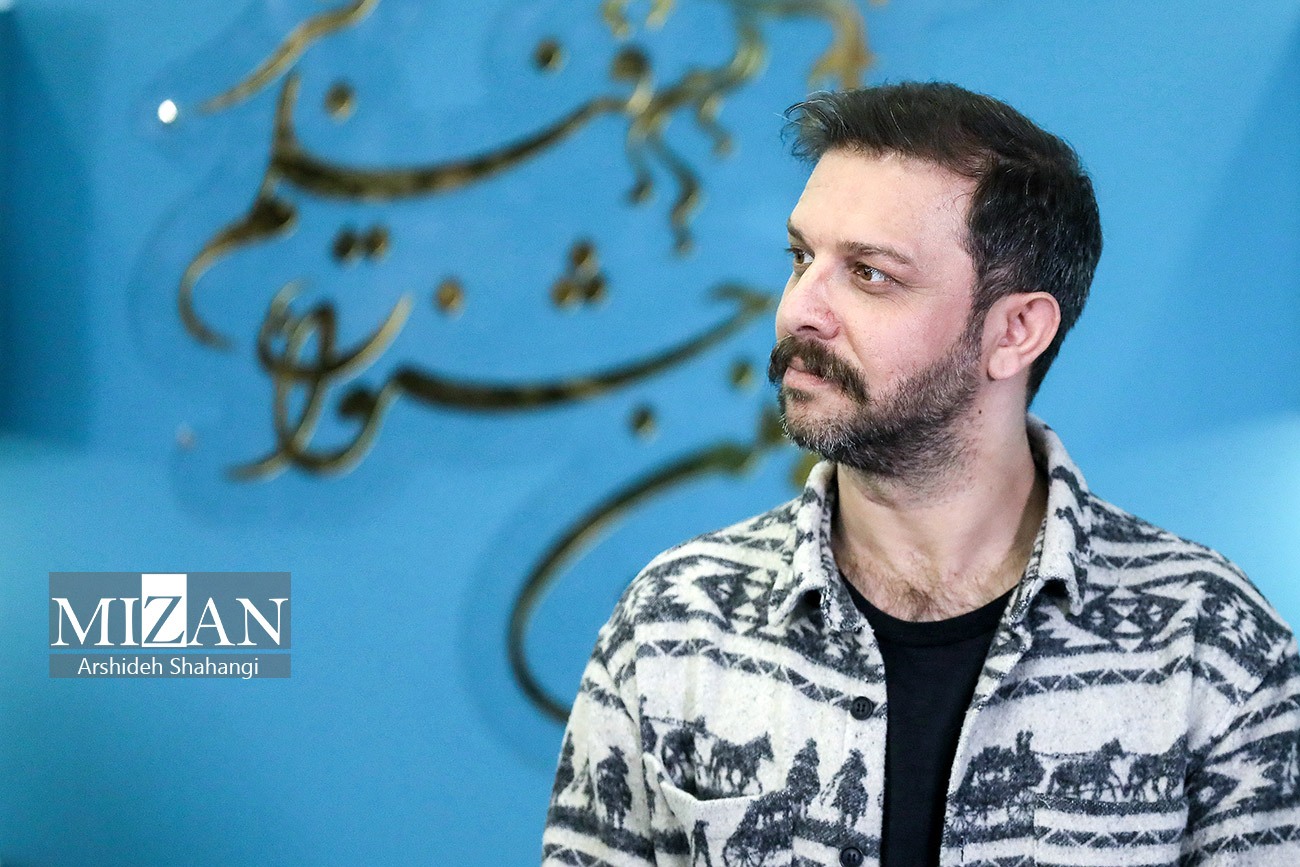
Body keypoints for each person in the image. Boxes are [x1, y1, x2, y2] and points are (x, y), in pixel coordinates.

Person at [541, 81, 1300, 867]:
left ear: (1016, 330)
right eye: (801, 258)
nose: (799, 310)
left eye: (870, 274)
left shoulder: (1211, 645)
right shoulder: (675, 621)